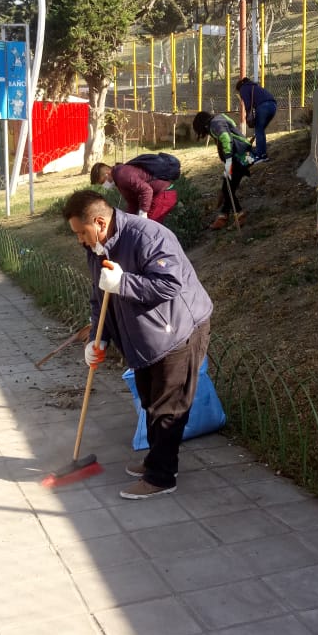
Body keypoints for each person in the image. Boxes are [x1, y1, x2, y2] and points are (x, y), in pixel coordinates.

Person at [62, 189, 213, 499]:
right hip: (146, 334)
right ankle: (155, 460)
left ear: (100, 222)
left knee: (167, 408)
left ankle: (161, 476)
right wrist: (97, 338)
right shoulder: (97, 248)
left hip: (177, 329)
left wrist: (124, 283)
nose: (80, 240)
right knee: (149, 399)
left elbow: (171, 284)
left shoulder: (149, 236)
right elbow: (99, 295)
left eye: (81, 232)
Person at [192, 110, 254, 230]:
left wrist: (228, 161)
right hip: (245, 154)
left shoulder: (215, 124)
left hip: (240, 157)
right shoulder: (219, 118)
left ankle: (240, 216)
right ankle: (222, 217)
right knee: (228, 187)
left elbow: (226, 138)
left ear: (203, 125)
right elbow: (231, 127)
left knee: (227, 189)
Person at [90, 159, 178, 225]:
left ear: (107, 173)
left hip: (164, 194)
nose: (104, 185)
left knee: (149, 228)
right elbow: (133, 203)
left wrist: (143, 212)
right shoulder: (118, 179)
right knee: (147, 228)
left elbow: (147, 190)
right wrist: (127, 220)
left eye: (102, 182)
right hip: (159, 194)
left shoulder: (122, 174)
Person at [236, 77, 277, 162]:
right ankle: (262, 154)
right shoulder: (254, 86)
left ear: (239, 88)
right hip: (273, 106)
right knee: (260, 130)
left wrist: (248, 117)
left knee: (259, 130)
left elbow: (247, 104)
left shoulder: (243, 89)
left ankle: (260, 155)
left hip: (263, 107)